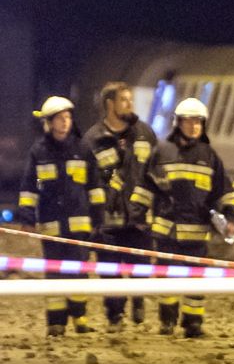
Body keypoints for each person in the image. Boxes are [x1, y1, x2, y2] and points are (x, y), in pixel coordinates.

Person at [130, 98, 234, 337]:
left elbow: (224, 191)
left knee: (196, 279)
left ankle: (193, 324)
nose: (194, 127)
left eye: (199, 122)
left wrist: (231, 217)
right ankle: (167, 321)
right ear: (178, 123)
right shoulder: (161, 151)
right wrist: (138, 213)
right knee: (167, 279)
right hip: (167, 230)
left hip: (197, 233)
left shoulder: (209, 155)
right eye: (189, 122)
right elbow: (145, 186)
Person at [18, 97, 104, 336]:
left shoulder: (82, 148)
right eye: (60, 118)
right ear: (49, 122)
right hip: (51, 224)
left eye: (68, 118)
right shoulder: (39, 152)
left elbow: (94, 185)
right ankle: (56, 322)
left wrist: (98, 217)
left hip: (79, 223)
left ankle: (79, 316)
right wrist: (26, 217)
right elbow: (30, 185)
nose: (65, 122)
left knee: (79, 271)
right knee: (54, 273)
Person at [84, 82, 158, 327]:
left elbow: (156, 173)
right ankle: (114, 315)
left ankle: (138, 299)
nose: (130, 104)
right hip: (107, 221)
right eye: (124, 100)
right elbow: (85, 180)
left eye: (130, 99)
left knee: (141, 267)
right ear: (109, 104)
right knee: (110, 271)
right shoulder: (92, 140)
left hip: (138, 219)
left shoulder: (145, 134)